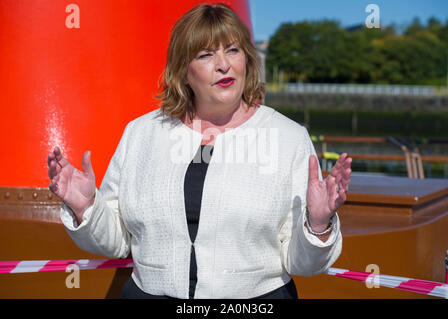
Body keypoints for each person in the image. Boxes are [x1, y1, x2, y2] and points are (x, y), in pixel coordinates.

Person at [47, 3, 352, 299]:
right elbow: (116, 240)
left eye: (233, 50)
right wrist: (86, 207)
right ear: (184, 71)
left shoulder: (289, 138)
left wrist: (318, 225)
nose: (224, 64)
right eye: (206, 55)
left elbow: (302, 264)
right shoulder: (141, 134)